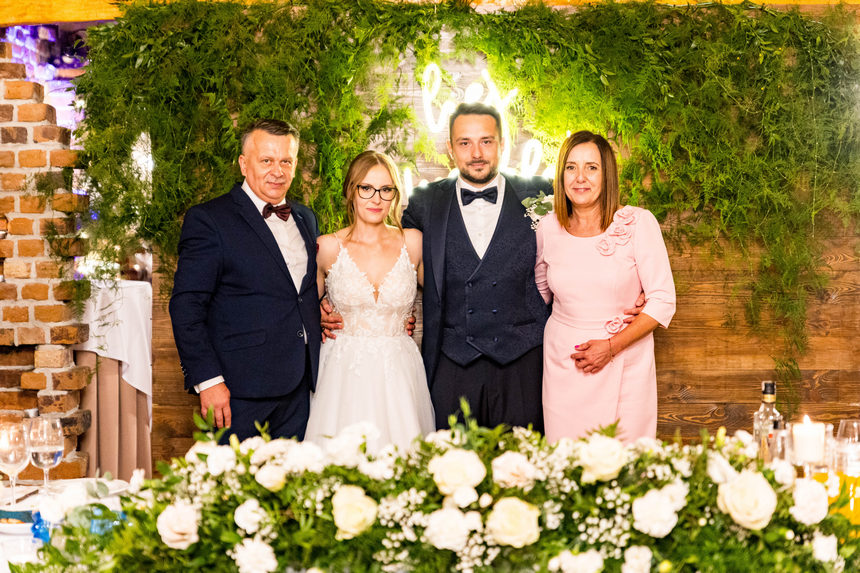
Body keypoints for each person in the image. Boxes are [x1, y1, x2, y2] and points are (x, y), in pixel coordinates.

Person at [396, 102, 554, 432]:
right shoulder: (425, 202)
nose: (477, 153)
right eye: (465, 143)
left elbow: (582, 243)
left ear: (502, 144)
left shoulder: (542, 194)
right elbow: (393, 261)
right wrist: (337, 304)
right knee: (453, 461)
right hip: (453, 361)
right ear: (450, 148)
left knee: (522, 460)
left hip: (523, 361)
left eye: (486, 141)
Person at [170, 119, 321, 441]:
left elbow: (299, 292)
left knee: (294, 473)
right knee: (234, 474)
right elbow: (186, 306)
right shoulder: (209, 219)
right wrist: (208, 380)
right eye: (266, 160)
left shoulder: (306, 218)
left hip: (301, 385)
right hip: (239, 390)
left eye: (286, 161)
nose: (277, 171)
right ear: (243, 164)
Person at [535, 130, 676, 442]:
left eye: (592, 168)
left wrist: (611, 347)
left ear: (607, 174)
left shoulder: (638, 223)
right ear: (561, 175)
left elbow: (663, 300)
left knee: (624, 460)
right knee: (565, 459)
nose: (580, 177)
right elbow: (538, 293)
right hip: (564, 366)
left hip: (625, 360)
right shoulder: (547, 228)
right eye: (571, 167)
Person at [305, 151, 434, 452]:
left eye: (386, 189)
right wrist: (316, 315)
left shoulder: (413, 242)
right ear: (351, 191)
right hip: (342, 375)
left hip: (399, 372)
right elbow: (295, 308)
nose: (376, 198)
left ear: (395, 195)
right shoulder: (327, 247)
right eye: (366, 188)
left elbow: (446, 298)